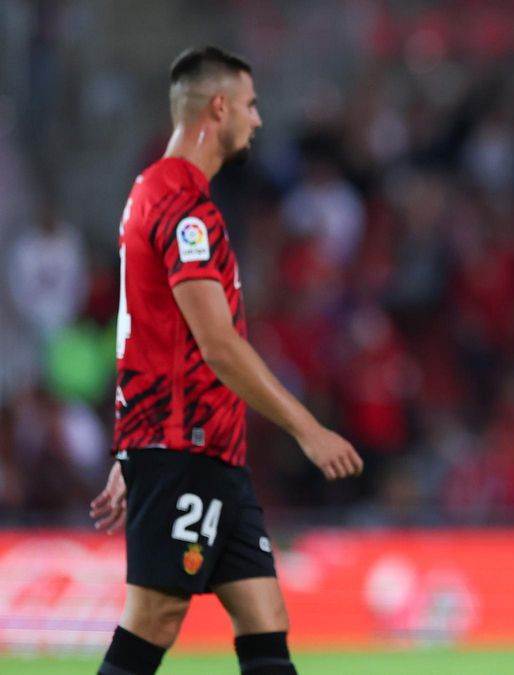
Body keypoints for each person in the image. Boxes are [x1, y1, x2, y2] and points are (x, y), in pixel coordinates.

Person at [89, 46, 364, 675]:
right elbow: (217, 345)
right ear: (219, 107)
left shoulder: (148, 191)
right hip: (185, 444)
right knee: (155, 616)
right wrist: (308, 429)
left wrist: (132, 448)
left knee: (265, 617)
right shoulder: (186, 208)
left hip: (202, 445)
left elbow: (147, 333)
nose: (258, 120)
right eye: (250, 104)